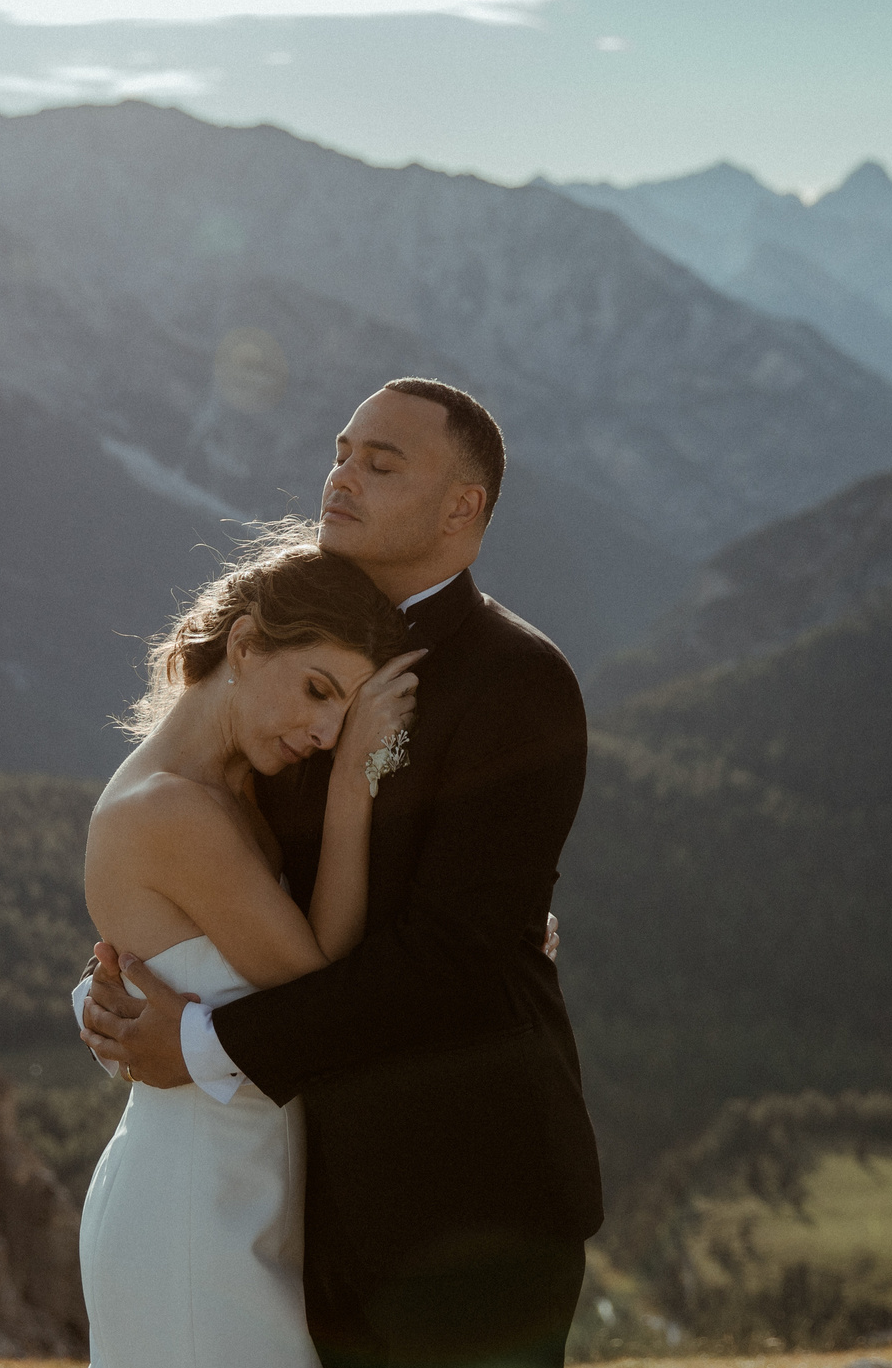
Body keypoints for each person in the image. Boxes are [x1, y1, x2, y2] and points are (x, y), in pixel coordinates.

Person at [81, 378, 603, 1368]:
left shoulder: (519, 682)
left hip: (468, 1201)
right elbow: (207, 870)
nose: (339, 478)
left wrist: (197, 1040)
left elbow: (450, 960)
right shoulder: (298, 662)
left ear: (462, 508)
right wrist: (117, 985)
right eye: (340, 451)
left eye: (381, 462)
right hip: (307, 1206)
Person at [75, 533, 422, 1367]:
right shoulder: (173, 809)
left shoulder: (233, 786)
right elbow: (318, 988)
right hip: (192, 1216)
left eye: (344, 712)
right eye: (316, 690)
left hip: (247, 1196)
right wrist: (350, 788)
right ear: (244, 643)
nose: (327, 728)